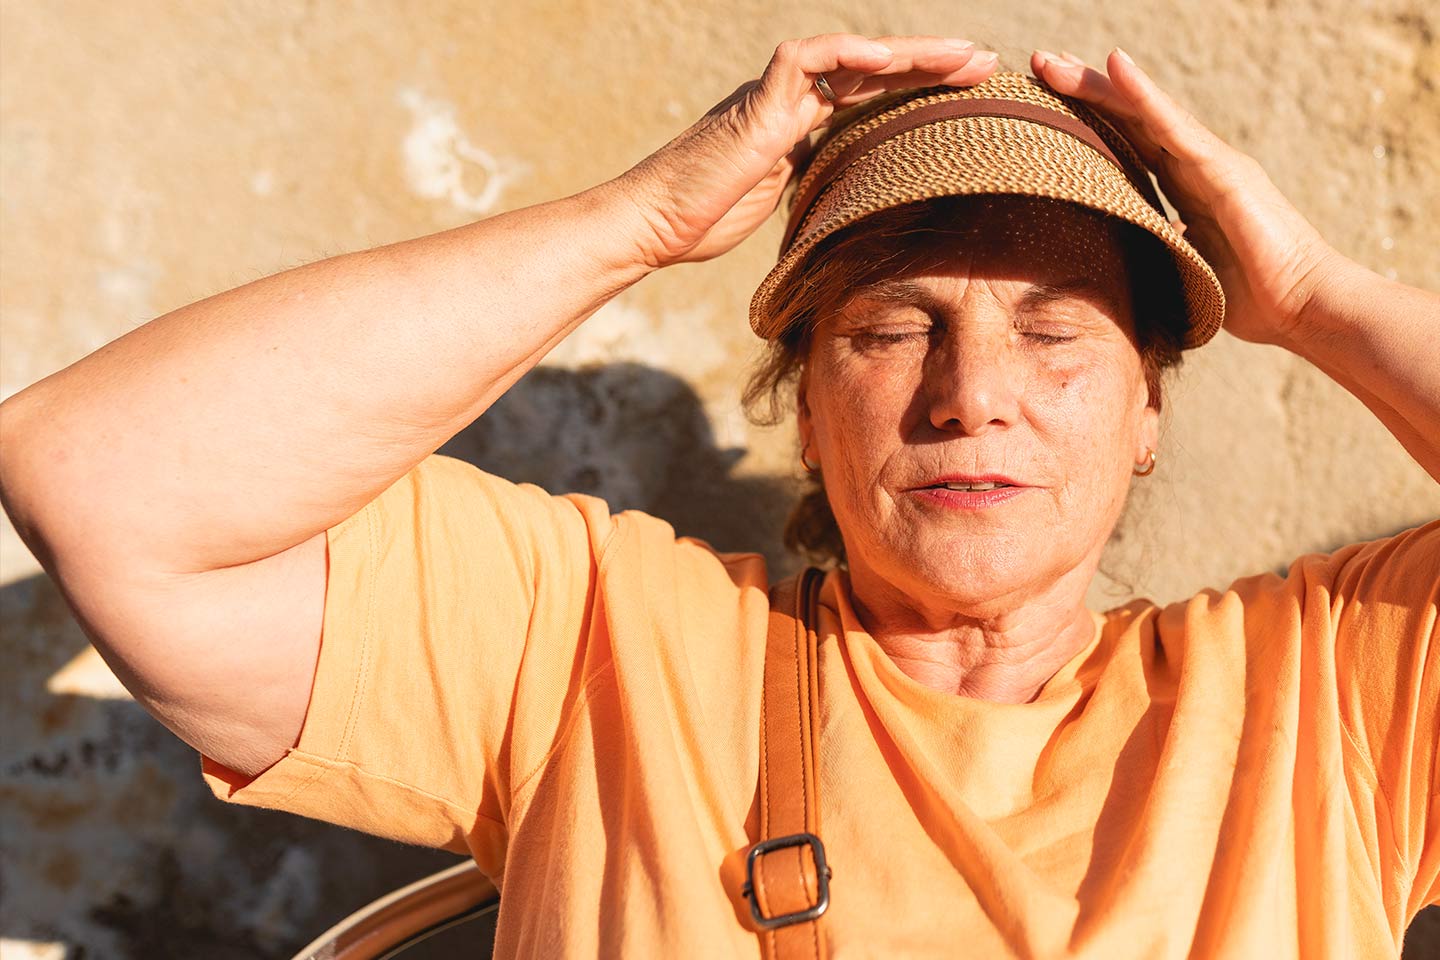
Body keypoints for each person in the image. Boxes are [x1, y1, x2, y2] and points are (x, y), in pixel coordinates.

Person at [0, 33, 1435, 959]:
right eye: (894, 329)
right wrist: (637, 222)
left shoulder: (1334, 686)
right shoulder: (601, 643)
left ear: (1148, 412)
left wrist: (1317, 294)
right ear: (807, 409)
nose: (971, 394)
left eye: (1055, 333)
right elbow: (94, 471)